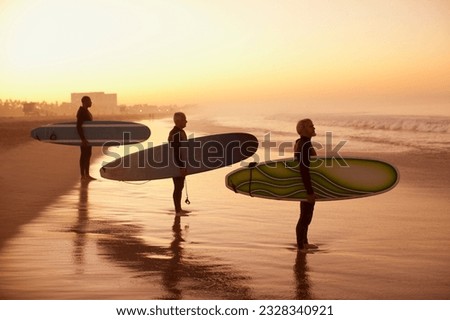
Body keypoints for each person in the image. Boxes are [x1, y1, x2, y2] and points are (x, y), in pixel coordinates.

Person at [294, 119, 317, 250]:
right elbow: (303, 168)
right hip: (306, 184)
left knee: (306, 214)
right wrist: (309, 191)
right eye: (310, 126)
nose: (314, 127)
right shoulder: (305, 145)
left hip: (304, 184)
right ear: (302, 129)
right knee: (305, 216)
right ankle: (301, 246)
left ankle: (304, 242)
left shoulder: (300, 142)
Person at [168, 112, 190, 215]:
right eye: (184, 119)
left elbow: (183, 149)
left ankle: (179, 209)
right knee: (178, 186)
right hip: (177, 163)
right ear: (178, 121)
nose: (186, 121)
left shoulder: (179, 132)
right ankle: (178, 211)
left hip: (178, 163)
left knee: (179, 187)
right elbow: (175, 151)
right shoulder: (176, 133)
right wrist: (181, 166)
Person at [76, 96, 95, 181]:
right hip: (84, 139)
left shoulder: (86, 111)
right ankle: (83, 175)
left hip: (88, 138)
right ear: (85, 102)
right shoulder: (81, 112)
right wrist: (83, 139)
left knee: (88, 155)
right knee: (84, 155)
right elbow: (78, 126)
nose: (91, 102)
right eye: (90, 101)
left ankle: (87, 174)